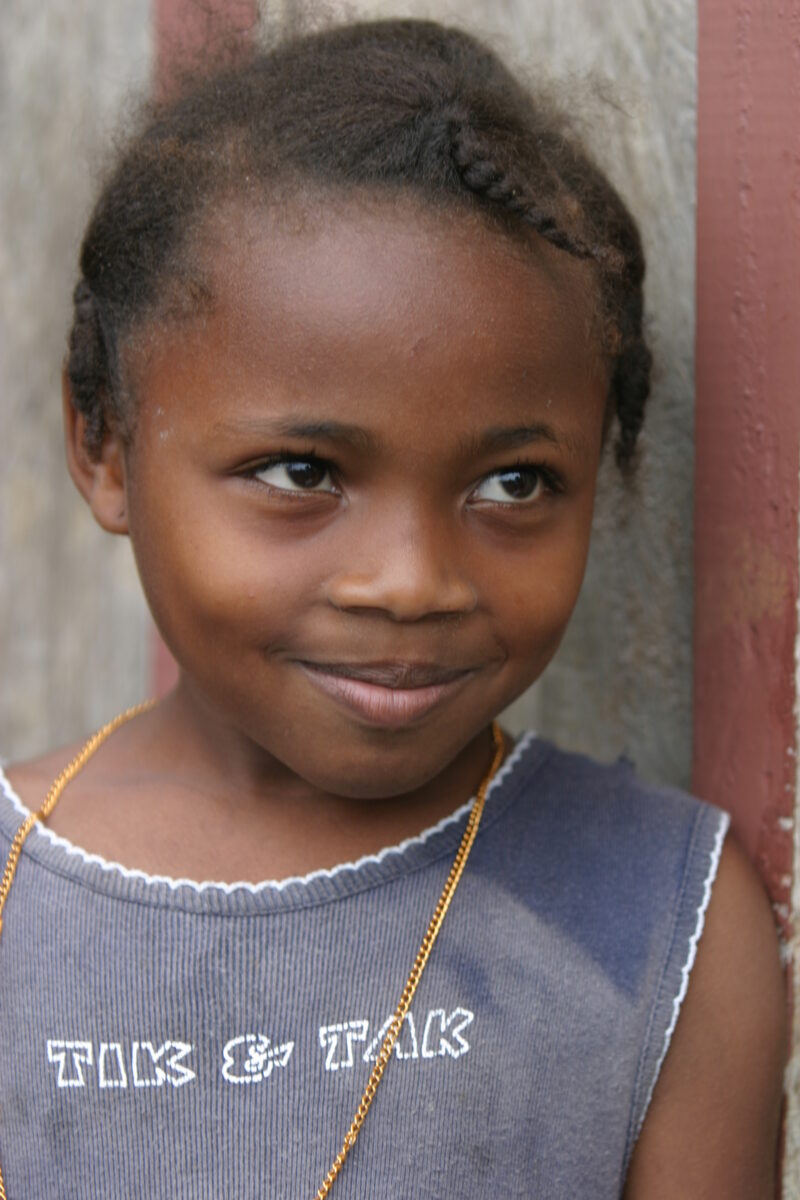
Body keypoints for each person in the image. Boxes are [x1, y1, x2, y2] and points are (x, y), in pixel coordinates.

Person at [0, 16, 785, 1199]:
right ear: (104, 443)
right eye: (301, 473)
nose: (412, 582)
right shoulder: (16, 892)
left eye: (512, 483)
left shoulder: (658, 921)